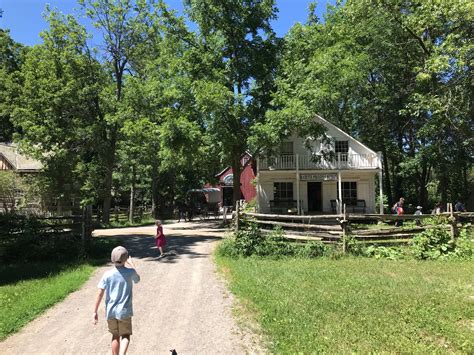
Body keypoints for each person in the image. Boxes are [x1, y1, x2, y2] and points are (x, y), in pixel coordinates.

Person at [93, 246, 140, 355]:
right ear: (126, 259)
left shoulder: (107, 274)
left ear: (112, 259)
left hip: (111, 311)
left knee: (115, 336)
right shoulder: (130, 272)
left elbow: (100, 293)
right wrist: (132, 265)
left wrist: (95, 311)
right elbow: (137, 280)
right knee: (126, 335)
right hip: (124, 311)